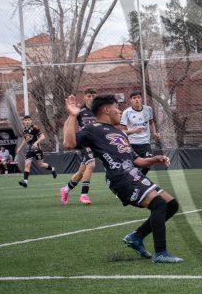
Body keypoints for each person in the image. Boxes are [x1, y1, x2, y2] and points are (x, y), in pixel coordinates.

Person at [63, 94, 184, 262]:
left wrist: (155, 159)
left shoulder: (119, 132)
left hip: (133, 174)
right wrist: (72, 116)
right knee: (159, 204)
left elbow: (137, 160)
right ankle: (160, 253)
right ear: (107, 109)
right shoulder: (93, 129)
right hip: (120, 178)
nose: (120, 111)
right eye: (117, 108)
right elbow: (69, 144)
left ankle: (136, 237)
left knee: (171, 205)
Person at [60, 88, 97, 205]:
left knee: (82, 171)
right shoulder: (80, 110)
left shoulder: (99, 110)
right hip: (85, 142)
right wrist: (66, 138)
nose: (91, 98)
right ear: (85, 97)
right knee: (91, 164)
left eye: (93, 96)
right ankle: (84, 195)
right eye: (89, 96)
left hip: (97, 142)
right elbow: (67, 123)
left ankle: (66, 189)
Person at [120, 91, 159, 176]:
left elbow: (151, 123)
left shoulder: (148, 109)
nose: (137, 100)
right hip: (132, 144)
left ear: (141, 99)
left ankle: (138, 178)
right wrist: (134, 131)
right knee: (133, 166)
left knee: (148, 164)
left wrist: (155, 133)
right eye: (134, 98)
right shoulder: (126, 112)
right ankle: (136, 179)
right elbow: (122, 131)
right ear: (131, 100)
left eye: (138, 97)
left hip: (145, 143)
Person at [16, 115, 57, 187]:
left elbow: (43, 137)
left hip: (37, 149)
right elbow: (26, 140)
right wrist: (20, 147)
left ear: (31, 121)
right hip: (30, 149)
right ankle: (25, 182)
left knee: (41, 164)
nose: (27, 121)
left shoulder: (35, 127)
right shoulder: (24, 130)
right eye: (26, 120)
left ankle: (52, 169)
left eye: (29, 120)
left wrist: (36, 142)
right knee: (27, 164)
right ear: (23, 122)